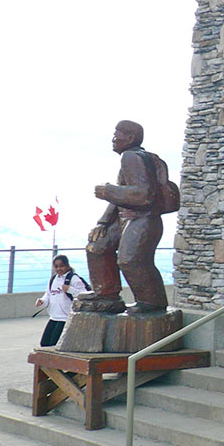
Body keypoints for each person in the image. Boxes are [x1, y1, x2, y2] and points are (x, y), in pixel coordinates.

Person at [75, 120, 169, 314]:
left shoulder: (132, 157)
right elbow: (121, 198)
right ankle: (105, 293)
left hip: (143, 219)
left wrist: (109, 191)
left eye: (117, 136)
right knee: (98, 246)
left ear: (130, 138)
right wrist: (103, 222)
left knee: (130, 260)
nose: (113, 140)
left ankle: (152, 301)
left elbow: (144, 195)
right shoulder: (130, 159)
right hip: (126, 218)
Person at [34, 255, 89, 347]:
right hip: (54, 317)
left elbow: (84, 294)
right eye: (56, 266)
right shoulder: (53, 279)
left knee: (54, 344)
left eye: (62, 266)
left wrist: (70, 289)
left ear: (67, 266)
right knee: (44, 343)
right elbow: (48, 294)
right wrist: (42, 301)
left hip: (65, 317)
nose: (59, 268)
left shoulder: (73, 278)